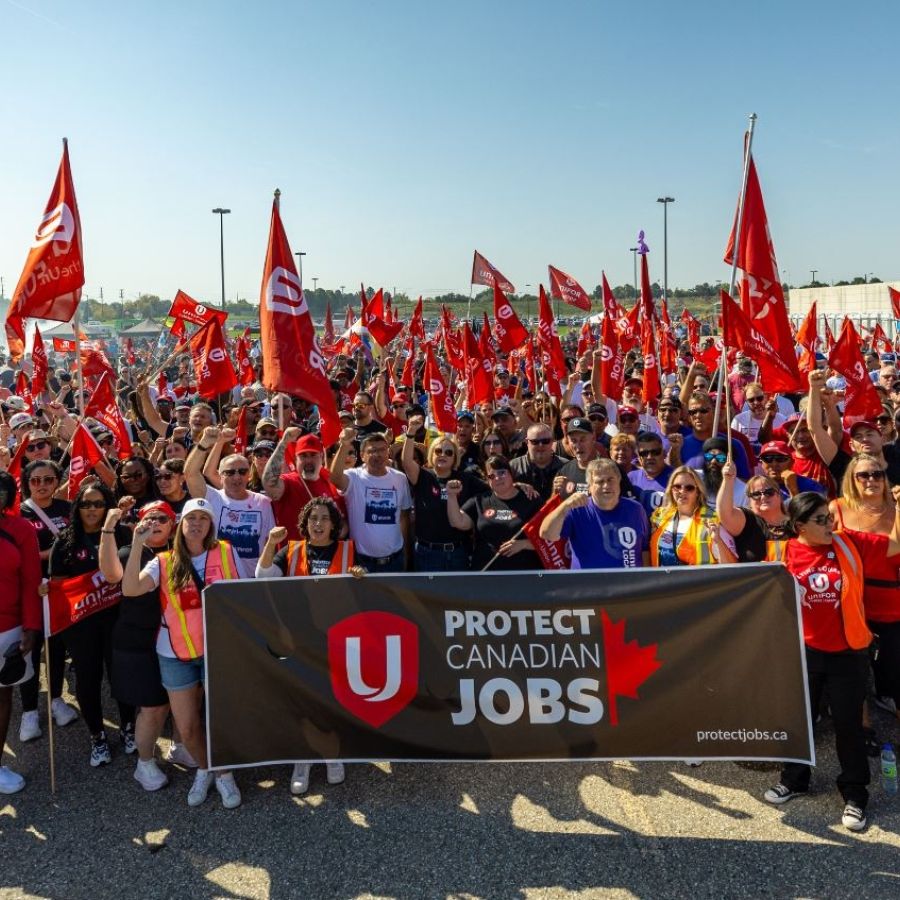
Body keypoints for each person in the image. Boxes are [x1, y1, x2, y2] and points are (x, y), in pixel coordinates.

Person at [763, 490, 900, 832]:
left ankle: (855, 794)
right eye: (821, 520)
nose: (831, 524)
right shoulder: (785, 552)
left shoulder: (848, 543)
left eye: (830, 516)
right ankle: (794, 780)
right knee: (801, 722)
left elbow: (893, 547)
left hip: (848, 655)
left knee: (848, 726)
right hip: (804, 653)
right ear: (799, 526)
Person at [122, 497, 247, 809]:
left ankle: (223, 775)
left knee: (218, 720)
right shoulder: (163, 561)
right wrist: (137, 543)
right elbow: (130, 589)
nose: (196, 524)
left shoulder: (227, 552)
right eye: (191, 518)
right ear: (181, 524)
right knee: (188, 727)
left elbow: (248, 591)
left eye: (203, 519)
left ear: (210, 525)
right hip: (175, 653)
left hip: (218, 650)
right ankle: (206, 768)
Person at [256, 496, 364, 794]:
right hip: (298, 638)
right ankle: (301, 760)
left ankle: (332, 755)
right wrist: (269, 544)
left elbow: (366, 590)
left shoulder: (348, 551)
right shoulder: (290, 550)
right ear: (304, 523)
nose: (318, 523)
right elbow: (262, 576)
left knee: (330, 698)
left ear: (334, 525)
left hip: (335, 638)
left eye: (324, 518)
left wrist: (361, 576)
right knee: (302, 699)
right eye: (313, 518)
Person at [48, 482, 136, 767]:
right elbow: (59, 583)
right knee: (88, 679)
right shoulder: (65, 540)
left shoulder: (122, 533)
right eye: (86, 504)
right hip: (81, 624)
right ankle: (97, 736)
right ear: (77, 507)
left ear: (107, 506)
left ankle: (128, 728)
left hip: (117, 619)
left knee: (120, 675)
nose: (92, 510)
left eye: (98, 504)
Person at [100, 501, 176, 792]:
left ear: (172, 525)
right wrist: (110, 529)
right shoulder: (131, 551)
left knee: (179, 701)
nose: (156, 523)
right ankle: (144, 764)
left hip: (175, 640)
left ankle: (179, 747)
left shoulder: (180, 553)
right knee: (153, 707)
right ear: (138, 524)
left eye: (163, 519)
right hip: (138, 643)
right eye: (150, 518)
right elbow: (111, 575)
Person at [830, 454, 900, 720]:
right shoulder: (837, 508)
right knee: (855, 664)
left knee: (892, 659)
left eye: (877, 474)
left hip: (892, 598)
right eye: (864, 475)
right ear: (852, 479)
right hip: (854, 598)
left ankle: (886, 695)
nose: (871, 479)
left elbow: (897, 551)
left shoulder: (897, 507)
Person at [17, 460, 78, 743]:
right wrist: (49, 553)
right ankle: (29, 711)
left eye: (48, 480)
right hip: (31, 591)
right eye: (36, 480)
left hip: (60, 589)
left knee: (56, 648)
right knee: (30, 649)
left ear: (57, 482)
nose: (42, 486)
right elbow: (17, 554)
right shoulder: (19, 513)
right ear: (26, 483)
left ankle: (55, 700)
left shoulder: (68, 509)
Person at [0, 471, 42, 794]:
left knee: (2, 698)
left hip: (10, 629)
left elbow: (31, 582)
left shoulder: (22, 529)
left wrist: (31, 628)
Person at [184, 425, 276, 571]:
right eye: (230, 472)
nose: (237, 477)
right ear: (219, 476)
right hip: (219, 577)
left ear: (249, 474)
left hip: (252, 579)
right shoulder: (212, 498)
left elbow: (268, 542)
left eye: (242, 471)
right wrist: (204, 443)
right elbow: (190, 474)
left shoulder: (263, 502)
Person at [401, 424, 484, 572]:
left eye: (448, 452)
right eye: (438, 451)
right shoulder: (423, 476)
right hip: (427, 553)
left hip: (458, 553)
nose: (443, 454)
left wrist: (518, 485)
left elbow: (493, 490)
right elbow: (407, 462)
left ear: (455, 457)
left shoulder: (466, 479)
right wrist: (411, 432)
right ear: (431, 454)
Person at [540, 458, 649, 568]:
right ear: (589, 487)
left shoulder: (636, 509)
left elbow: (644, 549)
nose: (606, 486)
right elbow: (547, 534)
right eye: (599, 482)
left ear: (619, 481)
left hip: (630, 584)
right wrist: (564, 506)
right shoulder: (577, 509)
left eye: (610, 479)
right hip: (589, 584)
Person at [330, 429, 412, 573]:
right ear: (362, 455)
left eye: (382, 450)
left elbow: (403, 518)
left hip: (394, 560)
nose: (377, 454)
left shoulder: (400, 478)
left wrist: (406, 553)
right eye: (372, 451)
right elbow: (335, 478)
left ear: (388, 453)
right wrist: (344, 445)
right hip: (361, 563)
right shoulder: (354, 477)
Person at [446, 456, 542, 571]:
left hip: (523, 575)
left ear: (511, 474)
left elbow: (550, 538)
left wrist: (524, 544)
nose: (497, 478)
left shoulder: (531, 499)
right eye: (491, 476)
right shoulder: (480, 500)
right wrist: (451, 495)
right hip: (485, 573)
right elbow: (457, 522)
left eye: (502, 472)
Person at [262, 428, 344, 540]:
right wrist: (283, 443)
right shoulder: (288, 482)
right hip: (292, 554)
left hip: (322, 555)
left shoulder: (330, 483)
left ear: (321, 458)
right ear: (296, 459)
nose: (308, 460)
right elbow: (269, 483)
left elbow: (343, 524)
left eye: (313, 455)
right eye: (304, 456)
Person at [648, 466, 733, 566]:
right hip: (663, 581)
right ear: (671, 489)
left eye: (689, 488)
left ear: (698, 492)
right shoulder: (660, 516)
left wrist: (718, 541)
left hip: (699, 581)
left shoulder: (712, 519)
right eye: (677, 486)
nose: (682, 491)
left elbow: (731, 566)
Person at [717, 463, 791, 562]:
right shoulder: (748, 520)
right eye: (756, 494)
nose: (763, 497)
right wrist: (728, 480)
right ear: (749, 501)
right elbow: (725, 513)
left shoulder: (796, 522)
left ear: (779, 496)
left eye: (769, 492)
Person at [509, 423, 566, 502]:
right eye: (535, 442)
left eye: (545, 441)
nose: (540, 445)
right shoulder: (513, 466)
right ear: (526, 442)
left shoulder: (566, 466)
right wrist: (515, 486)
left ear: (552, 441)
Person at [757, 441, 825, 500]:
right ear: (761, 463)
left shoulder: (810, 486)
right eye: (768, 459)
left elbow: (812, 513)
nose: (774, 464)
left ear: (792, 463)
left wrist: (793, 489)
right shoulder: (755, 487)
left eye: (780, 459)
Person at [628, 432, 674, 516]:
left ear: (664, 454)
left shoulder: (676, 478)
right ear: (638, 457)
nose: (649, 457)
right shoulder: (630, 478)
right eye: (644, 453)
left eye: (655, 452)